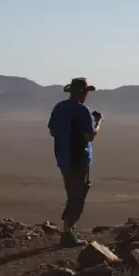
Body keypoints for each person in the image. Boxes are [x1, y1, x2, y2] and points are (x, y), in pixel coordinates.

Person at [47, 77, 103, 247]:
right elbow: (90, 136)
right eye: (85, 92)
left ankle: (69, 231)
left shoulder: (59, 108)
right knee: (77, 196)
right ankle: (67, 234)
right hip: (78, 158)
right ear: (82, 92)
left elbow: (52, 130)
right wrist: (98, 123)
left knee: (72, 193)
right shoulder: (82, 111)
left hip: (63, 158)